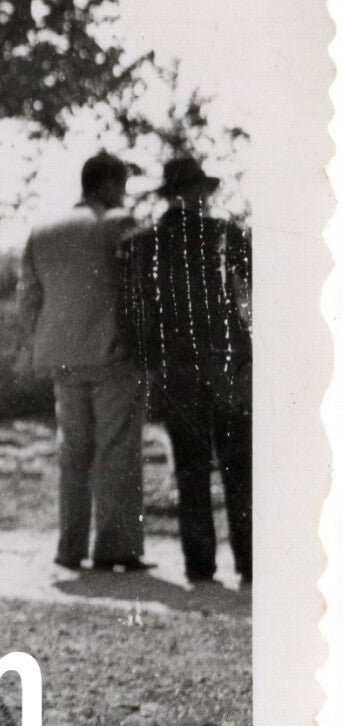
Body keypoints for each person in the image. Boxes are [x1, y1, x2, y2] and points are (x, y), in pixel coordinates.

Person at [119, 155, 253, 585]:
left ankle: (200, 565)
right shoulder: (225, 234)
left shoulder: (142, 244)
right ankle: (250, 561)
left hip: (175, 367)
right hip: (227, 363)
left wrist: (148, 359)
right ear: (196, 193)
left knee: (191, 469)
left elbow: (129, 311)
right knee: (239, 468)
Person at [17, 151, 150, 573]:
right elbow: (140, 288)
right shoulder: (118, 223)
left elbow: (28, 298)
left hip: (61, 359)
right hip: (112, 356)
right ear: (109, 185)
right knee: (116, 450)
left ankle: (69, 546)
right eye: (122, 185)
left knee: (72, 453)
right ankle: (115, 548)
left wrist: (48, 339)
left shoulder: (44, 230)